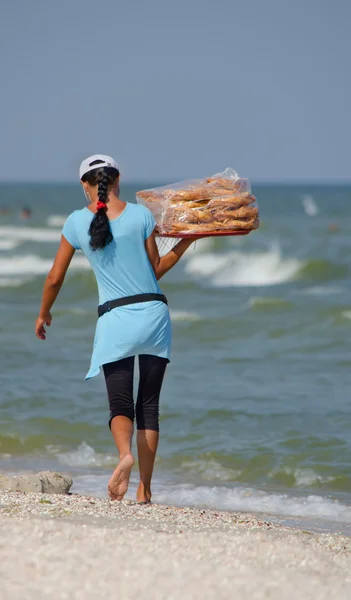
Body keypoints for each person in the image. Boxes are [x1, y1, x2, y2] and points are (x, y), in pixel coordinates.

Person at [35, 155, 195, 503]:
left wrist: (43, 313)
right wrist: (184, 241)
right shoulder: (140, 214)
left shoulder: (77, 222)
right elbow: (156, 268)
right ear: (118, 178)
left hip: (116, 320)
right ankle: (145, 490)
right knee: (148, 406)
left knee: (120, 403)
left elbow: (54, 277)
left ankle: (125, 456)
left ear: (84, 185)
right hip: (154, 314)